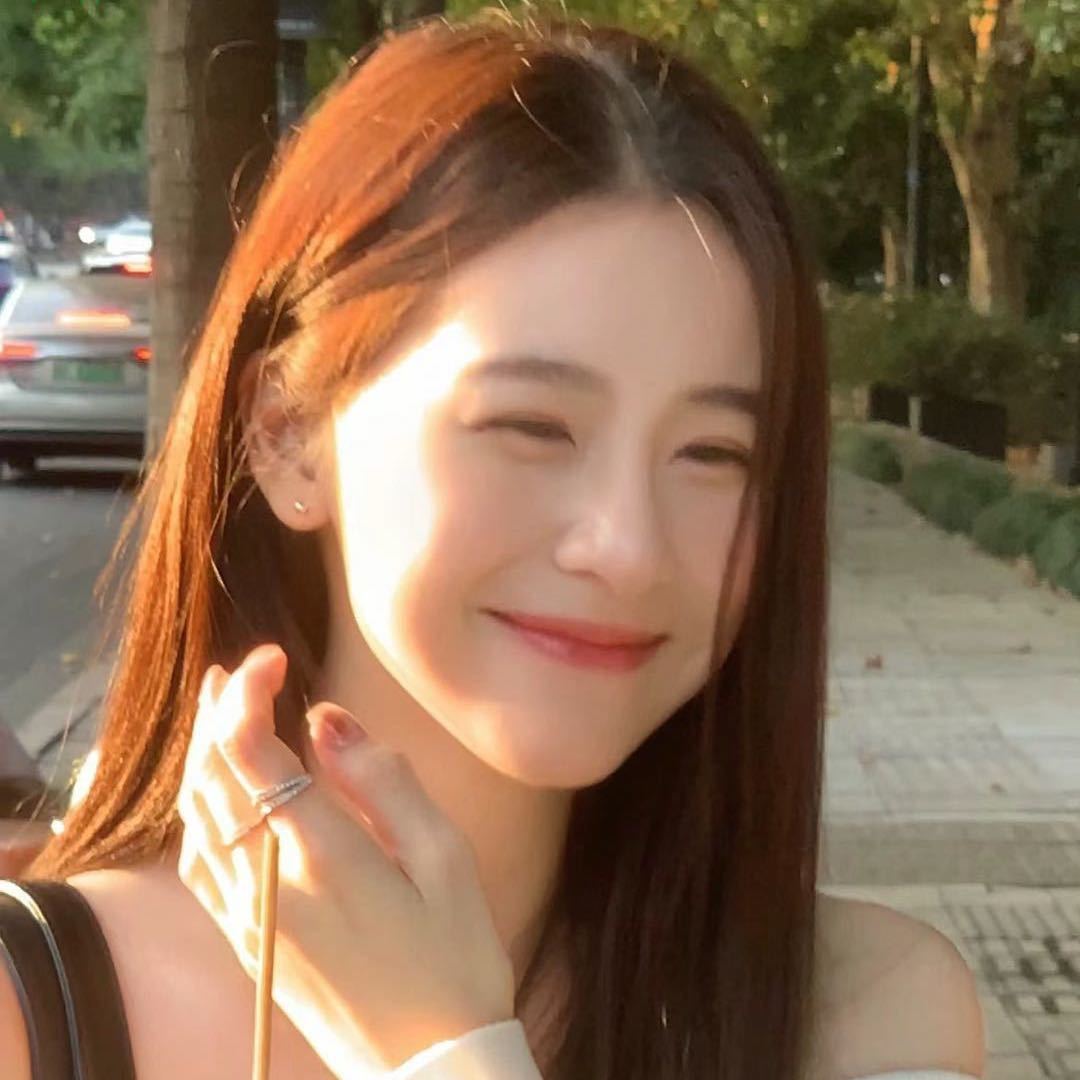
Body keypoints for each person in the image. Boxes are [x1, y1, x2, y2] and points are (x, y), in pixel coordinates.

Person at [0, 14, 984, 1079]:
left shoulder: (867, 1016)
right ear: (286, 435)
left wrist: (442, 1053)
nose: (628, 547)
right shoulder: (36, 1010)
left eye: (713, 452)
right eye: (533, 427)